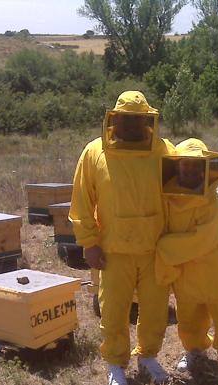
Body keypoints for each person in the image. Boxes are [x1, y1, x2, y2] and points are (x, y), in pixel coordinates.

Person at [70, 91, 173, 385]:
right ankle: (115, 363)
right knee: (113, 311)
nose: (131, 126)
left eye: (137, 120)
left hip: (155, 248)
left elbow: (183, 191)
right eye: (126, 120)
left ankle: (148, 356)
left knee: (154, 310)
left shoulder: (164, 150)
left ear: (147, 121)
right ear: (114, 119)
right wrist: (89, 242)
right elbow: (81, 202)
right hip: (112, 250)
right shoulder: (93, 152)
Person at [156, 138, 218, 382]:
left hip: (214, 268)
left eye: (197, 166)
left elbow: (203, 239)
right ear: (177, 167)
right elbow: (162, 227)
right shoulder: (167, 198)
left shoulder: (213, 200)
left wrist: (164, 247)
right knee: (188, 316)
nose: (191, 171)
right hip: (185, 273)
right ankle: (194, 350)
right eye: (186, 165)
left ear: (206, 168)